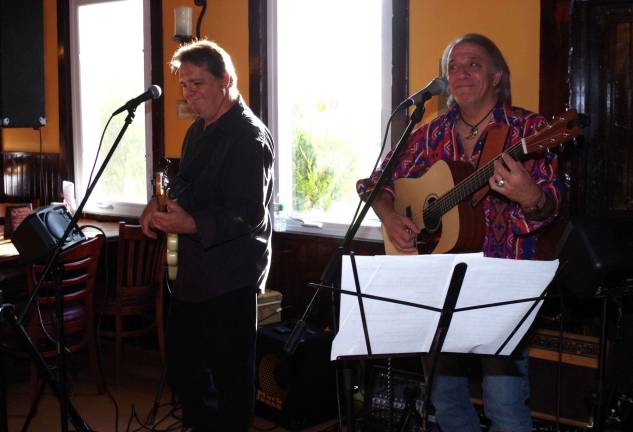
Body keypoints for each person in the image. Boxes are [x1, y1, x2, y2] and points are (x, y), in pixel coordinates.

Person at [357, 33, 561, 431]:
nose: (460, 73)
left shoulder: (528, 129)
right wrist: (389, 216)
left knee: (504, 406)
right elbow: (374, 183)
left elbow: (550, 206)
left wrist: (531, 195)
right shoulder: (429, 132)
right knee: (446, 402)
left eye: (473, 64)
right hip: (435, 281)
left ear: (497, 75)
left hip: (501, 285)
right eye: (452, 66)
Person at [140, 39, 274, 431]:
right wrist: (158, 205)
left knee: (230, 382)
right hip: (194, 274)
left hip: (230, 277)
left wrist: (192, 224)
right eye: (184, 85)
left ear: (226, 80)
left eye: (197, 83)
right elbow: (185, 184)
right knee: (187, 373)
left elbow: (247, 212)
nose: (188, 93)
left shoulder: (249, 137)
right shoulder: (198, 130)